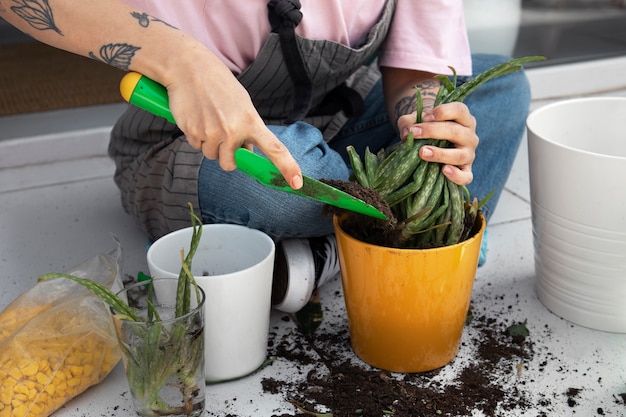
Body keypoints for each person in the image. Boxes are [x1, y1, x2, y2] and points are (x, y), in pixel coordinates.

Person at [2, 1, 530, 313]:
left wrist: (429, 127)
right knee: (277, 180)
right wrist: (181, 60)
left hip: (343, 119)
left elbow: (417, 74)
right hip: (191, 140)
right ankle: (396, 238)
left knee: (501, 90)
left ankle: (323, 255)